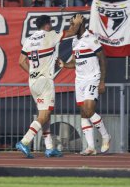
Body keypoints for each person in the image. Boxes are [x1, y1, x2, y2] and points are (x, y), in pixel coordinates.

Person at [16, 14, 83, 158]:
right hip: (45, 81)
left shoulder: (29, 39)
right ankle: (25, 141)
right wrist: (77, 23)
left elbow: (21, 61)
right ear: (46, 25)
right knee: (45, 114)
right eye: (50, 24)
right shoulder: (49, 35)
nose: (51, 26)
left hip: (33, 81)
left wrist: (33, 73)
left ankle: (49, 148)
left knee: (44, 115)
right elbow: (71, 32)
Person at [57, 17, 111, 156]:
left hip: (92, 78)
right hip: (79, 81)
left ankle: (105, 136)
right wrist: (65, 65)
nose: (70, 25)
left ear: (80, 23)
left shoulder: (90, 38)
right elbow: (75, 62)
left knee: (88, 110)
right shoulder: (75, 41)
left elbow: (103, 58)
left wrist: (102, 81)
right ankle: (91, 147)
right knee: (83, 113)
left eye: (72, 22)